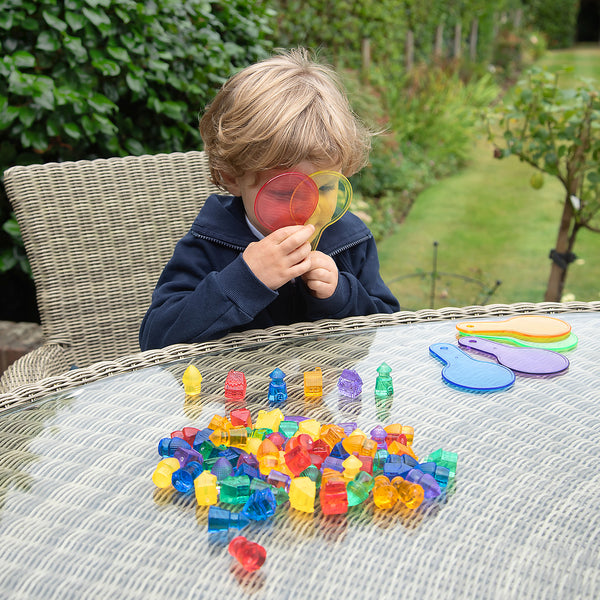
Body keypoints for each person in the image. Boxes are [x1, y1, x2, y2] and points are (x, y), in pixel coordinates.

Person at [139, 48, 399, 350]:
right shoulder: (208, 245)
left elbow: (389, 329)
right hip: (235, 393)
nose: (309, 207)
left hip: (327, 392)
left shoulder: (349, 240)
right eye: (285, 192)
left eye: (326, 187)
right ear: (232, 177)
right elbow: (156, 340)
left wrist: (340, 294)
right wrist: (244, 279)